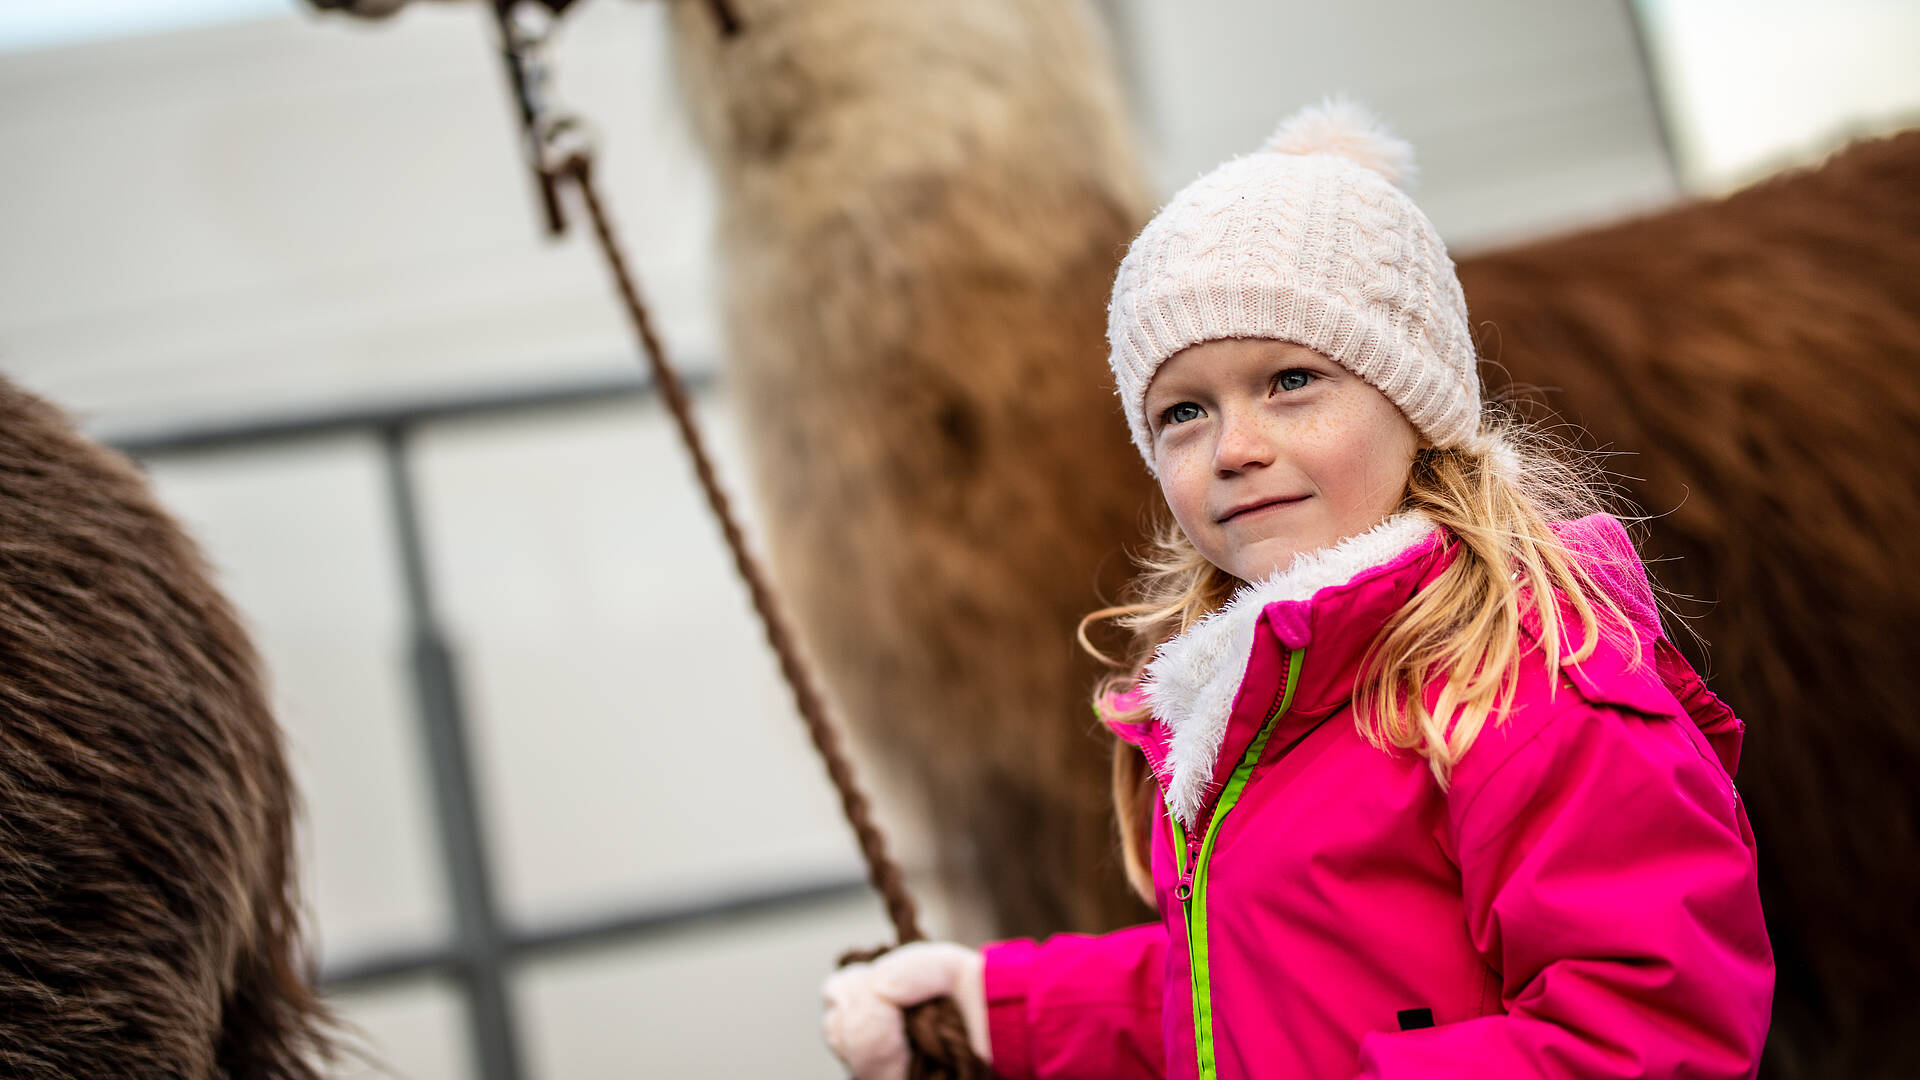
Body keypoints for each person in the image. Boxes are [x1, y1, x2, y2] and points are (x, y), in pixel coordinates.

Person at [819, 98, 1773, 1079]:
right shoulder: (1250, 710)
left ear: (1412, 394)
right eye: (1183, 411)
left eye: (1289, 382)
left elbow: (1654, 1029)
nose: (1235, 448)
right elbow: (1240, 989)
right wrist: (996, 1009)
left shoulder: (1528, 684)